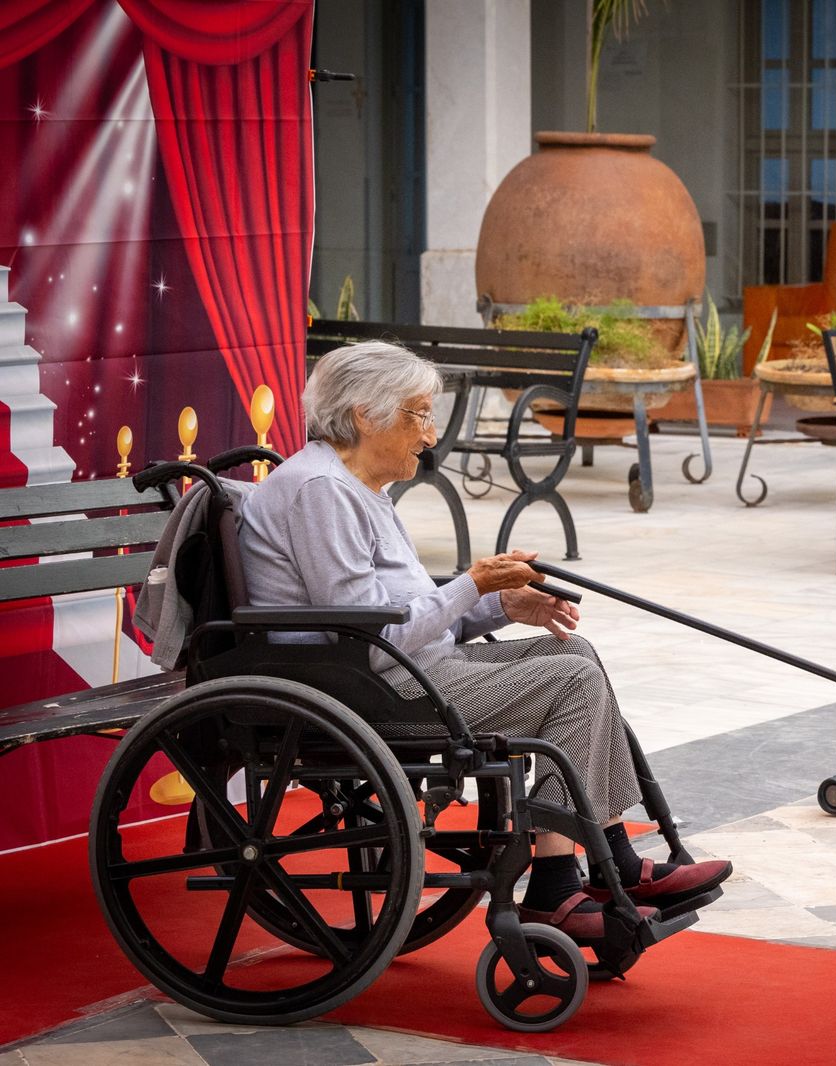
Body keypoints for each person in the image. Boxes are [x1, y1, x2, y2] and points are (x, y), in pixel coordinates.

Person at [238, 341, 730, 940]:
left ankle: (612, 862)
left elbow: (410, 616)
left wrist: (502, 603)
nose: (429, 435)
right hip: (367, 688)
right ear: (366, 414)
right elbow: (371, 637)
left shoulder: (358, 486)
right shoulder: (322, 490)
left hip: (403, 670)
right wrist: (472, 583)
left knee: (572, 653)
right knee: (570, 681)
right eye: (419, 415)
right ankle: (557, 885)